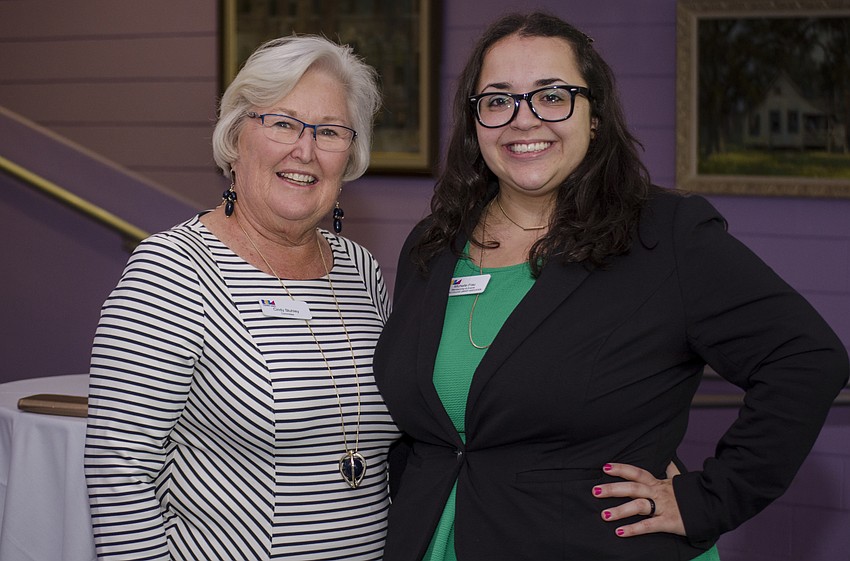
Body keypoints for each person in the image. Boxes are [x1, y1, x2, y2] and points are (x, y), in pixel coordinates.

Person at [373, 11, 849, 561]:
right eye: (498, 100)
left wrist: (708, 500)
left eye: (552, 95)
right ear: (474, 121)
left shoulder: (664, 236)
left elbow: (806, 358)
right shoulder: (432, 244)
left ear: (594, 114)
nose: (523, 120)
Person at [84, 35, 398, 560]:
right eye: (282, 122)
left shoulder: (359, 270)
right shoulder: (171, 271)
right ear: (235, 139)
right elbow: (120, 473)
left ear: (351, 156)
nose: (306, 149)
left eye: (330, 131)